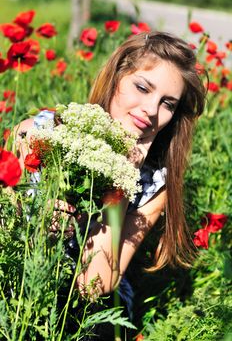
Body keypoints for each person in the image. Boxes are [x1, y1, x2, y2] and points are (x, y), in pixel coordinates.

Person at [13, 31, 206, 335]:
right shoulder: (38, 133)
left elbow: (95, 285)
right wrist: (39, 222)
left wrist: (122, 183)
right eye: (142, 87)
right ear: (116, 77)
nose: (152, 111)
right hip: (21, 282)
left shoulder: (155, 183)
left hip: (94, 310)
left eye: (167, 103)